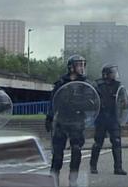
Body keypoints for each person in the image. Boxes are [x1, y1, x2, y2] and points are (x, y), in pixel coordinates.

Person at [45, 54, 90, 187]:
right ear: (71, 67)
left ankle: (73, 180)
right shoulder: (61, 83)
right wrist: (49, 117)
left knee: (76, 151)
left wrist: (77, 103)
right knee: (57, 154)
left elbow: (92, 102)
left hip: (77, 122)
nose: (82, 67)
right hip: (61, 122)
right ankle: (53, 180)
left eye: (83, 64)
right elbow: (53, 101)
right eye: (79, 64)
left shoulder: (86, 85)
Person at [90, 64, 127, 175]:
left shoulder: (118, 85)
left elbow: (123, 100)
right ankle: (93, 166)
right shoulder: (97, 85)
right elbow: (92, 99)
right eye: (112, 72)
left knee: (117, 142)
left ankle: (118, 168)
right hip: (101, 117)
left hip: (113, 118)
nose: (115, 74)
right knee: (98, 143)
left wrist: (124, 104)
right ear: (106, 74)